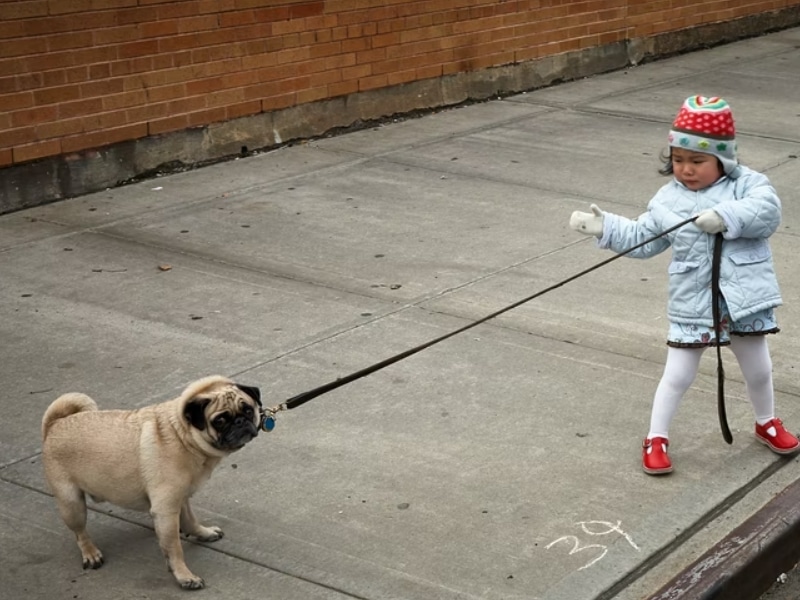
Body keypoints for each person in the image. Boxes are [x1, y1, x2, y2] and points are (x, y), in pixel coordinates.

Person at [569, 95, 799, 475]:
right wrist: (607, 228)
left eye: (697, 161)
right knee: (678, 374)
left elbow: (768, 212)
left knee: (759, 368)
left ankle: (766, 421)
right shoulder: (667, 200)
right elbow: (645, 237)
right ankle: (656, 437)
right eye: (678, 160)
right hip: (693, 302)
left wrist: (725, 215)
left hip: (744, 300)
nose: (686, 170)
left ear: (722, 160)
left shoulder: (748, 185)